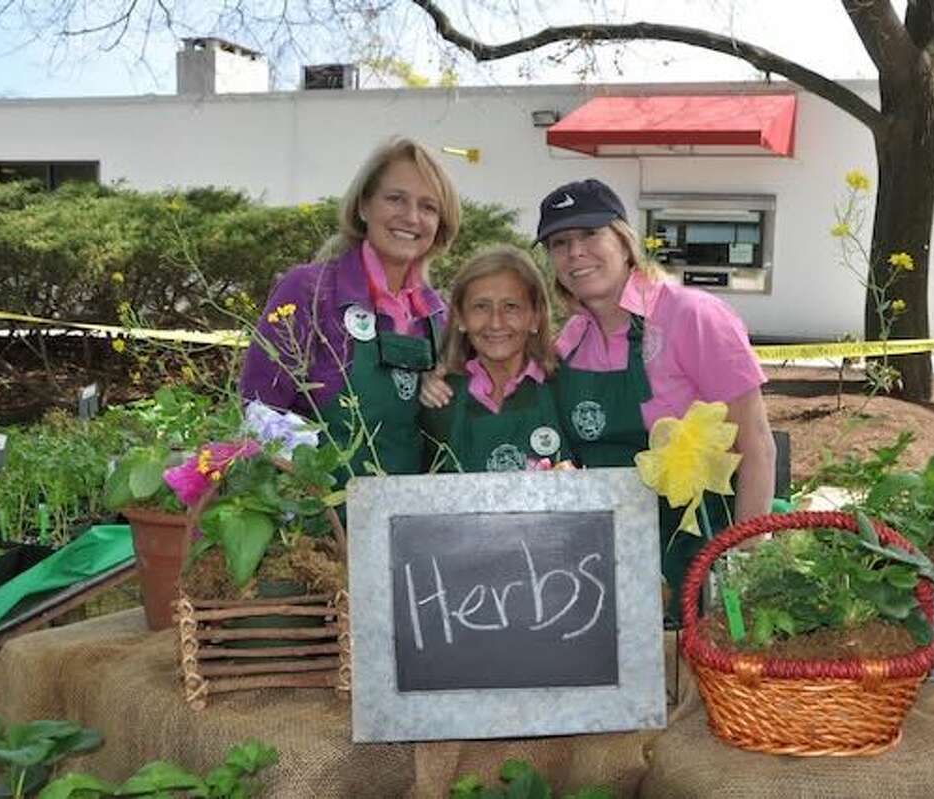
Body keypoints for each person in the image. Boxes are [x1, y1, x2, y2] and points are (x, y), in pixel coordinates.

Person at [425, 178, 775, 623]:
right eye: (560, 242)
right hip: (614, 563)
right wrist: (439, 377)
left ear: (624, 241)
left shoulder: (693, 316)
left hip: (699, 545)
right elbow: (506, 368)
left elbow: (758, 446)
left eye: (590, 234)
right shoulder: (571, 340)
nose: (575, 253)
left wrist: (743, 562)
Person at [240, 137, 460, 479]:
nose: (412, 217)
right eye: (395, 198)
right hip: (316, 522)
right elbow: (258, 412)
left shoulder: (439, 317)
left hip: (404, 524)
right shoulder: (309, 292)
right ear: (363, 206)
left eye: (429, 207)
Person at [420, 246, 572, 473]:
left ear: (535, 318)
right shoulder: (439, 399)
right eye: (481, 307)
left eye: (511, 307)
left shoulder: (565, 387)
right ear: (460, 317)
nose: (496, 323)